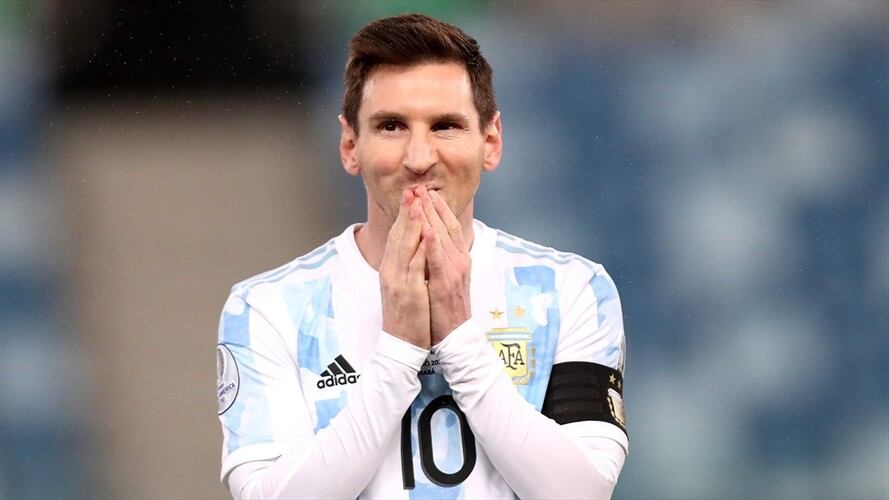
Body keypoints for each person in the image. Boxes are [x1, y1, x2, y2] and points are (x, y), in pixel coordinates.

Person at [216, 13, 628, 499]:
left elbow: (581, 493)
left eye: (445, 126)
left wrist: (461, 341)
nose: (419, 158)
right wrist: (397, 354)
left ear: (490, 142)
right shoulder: (268, 308)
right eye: (391, 126)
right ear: (350, 146)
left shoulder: (571, 290)